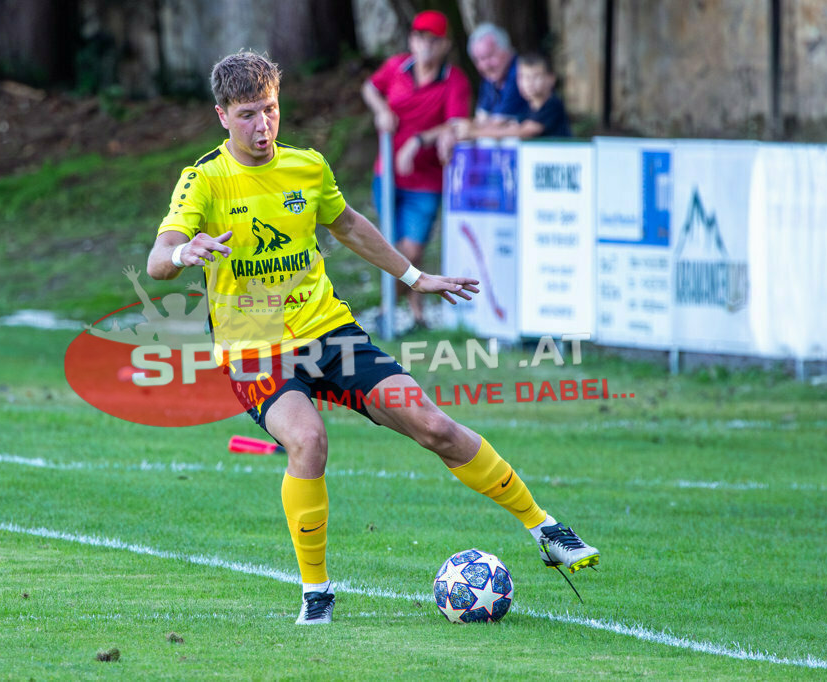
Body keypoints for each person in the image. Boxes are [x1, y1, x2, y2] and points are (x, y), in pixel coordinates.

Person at [146, 50, 599, 625]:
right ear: (222, 116)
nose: (262, 127)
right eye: (247, 115)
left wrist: (415, 277)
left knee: (434, 425)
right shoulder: (204, 179)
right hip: (253, 347)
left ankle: (544, 527)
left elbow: (349, 225)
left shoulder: (306, 167)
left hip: (327, 329)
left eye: (271, 110)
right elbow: (159, 259)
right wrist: (185, 251)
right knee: (307, 440)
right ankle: (316, 593)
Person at [362, 9, 470, 329]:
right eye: (420, 37)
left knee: (411, 249)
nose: (425, 45)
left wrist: (420, 140)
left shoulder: (454, 81)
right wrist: (381, 109)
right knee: (392, 247)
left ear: (446, 44)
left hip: (425, 181)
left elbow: (458, 124)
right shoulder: (396, 67)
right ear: (412, 39)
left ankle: (386, 308)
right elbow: (369, 87)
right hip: (388, 176)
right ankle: (416, 313)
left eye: (433, 40)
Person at [459, 52, 572, 140]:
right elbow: (510, 126)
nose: (529, 83)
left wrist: (474, 133)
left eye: (536, 76)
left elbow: (524, 132)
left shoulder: (552, 104)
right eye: (524, 77)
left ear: (551, 78)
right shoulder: (527, 106)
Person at [467, 23, 530, 124]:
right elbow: (481, 117)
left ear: (507, 49)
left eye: (490, 56)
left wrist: (469, 129)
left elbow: (499, 122)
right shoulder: (492, 77)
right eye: (479, 60)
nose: (485, 65)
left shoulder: (521, 73)